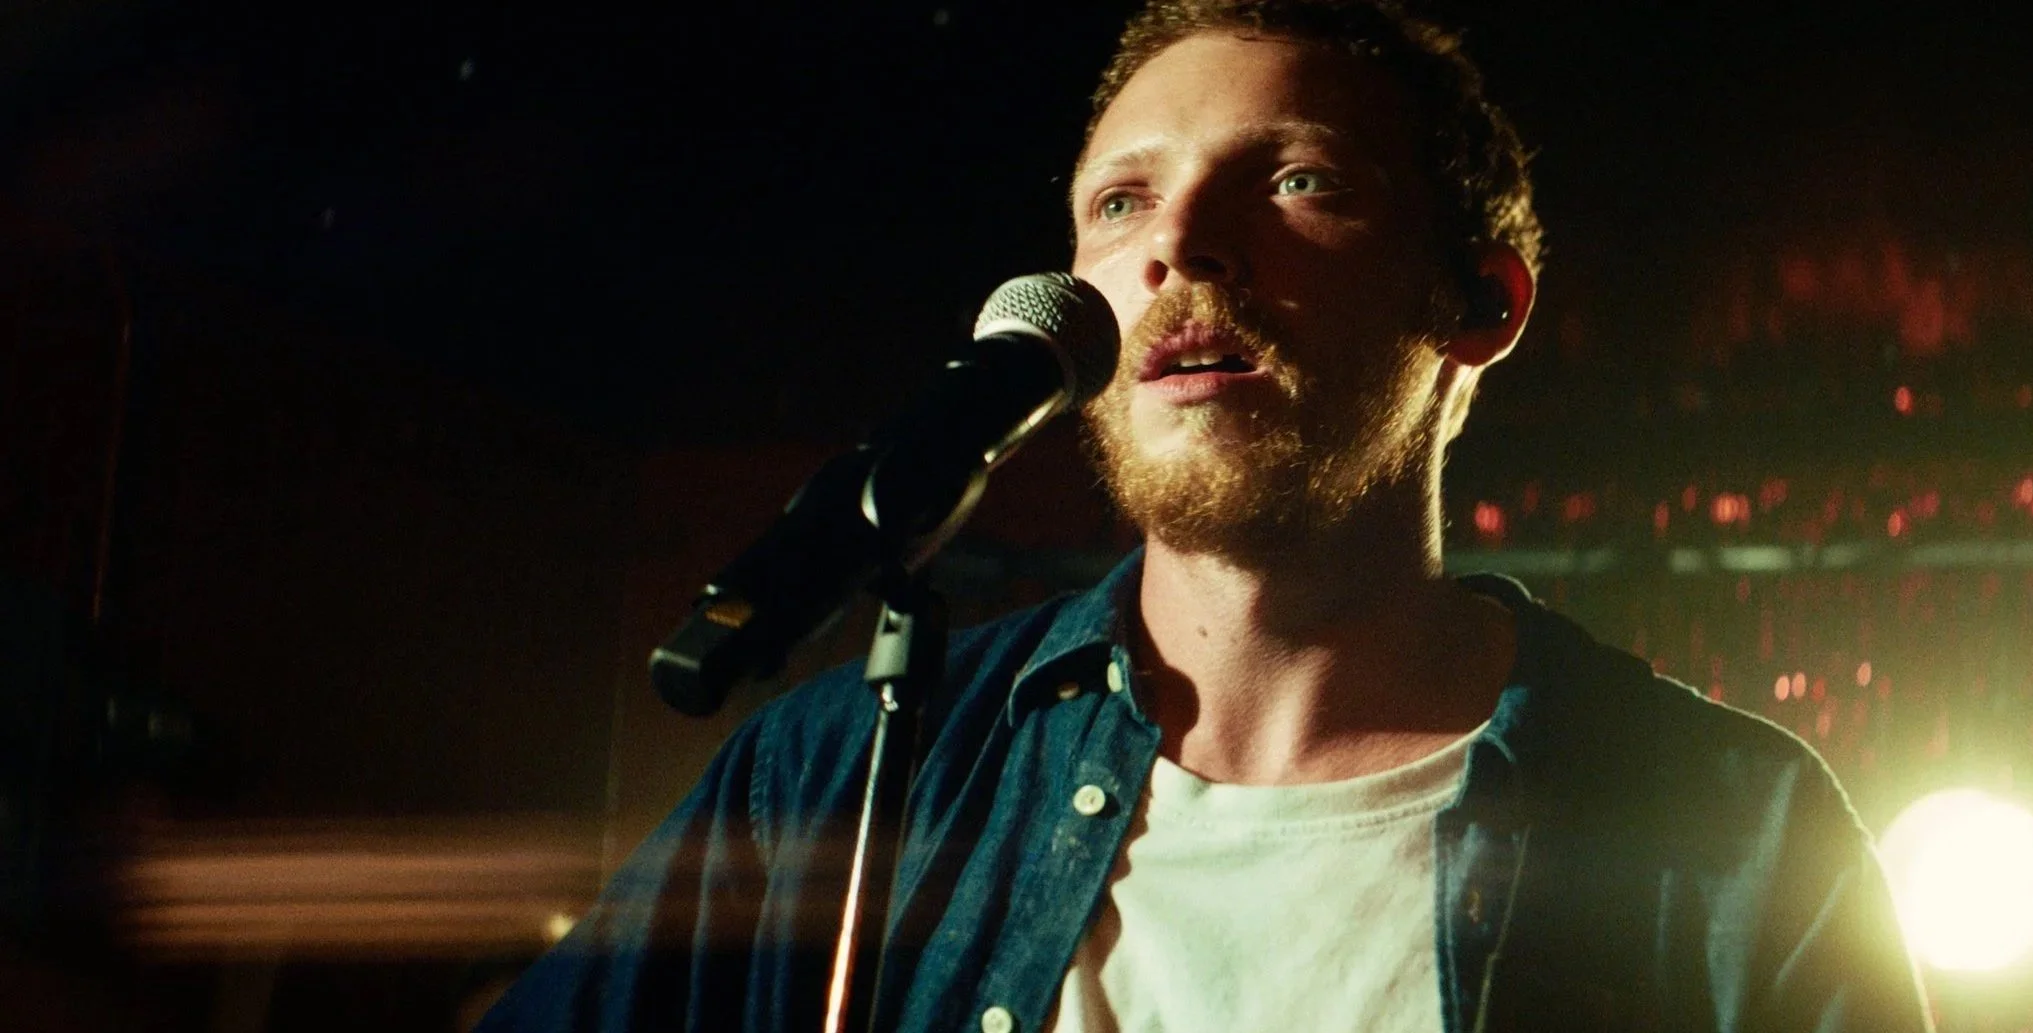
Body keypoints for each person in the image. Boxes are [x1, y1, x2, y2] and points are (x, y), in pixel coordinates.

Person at [481, 2, 1932, 1031]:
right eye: (1122, 203)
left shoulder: (1732, 832)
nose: (1178, 243)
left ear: (1479, 304)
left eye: (1297, 181)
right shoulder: (839, 779)